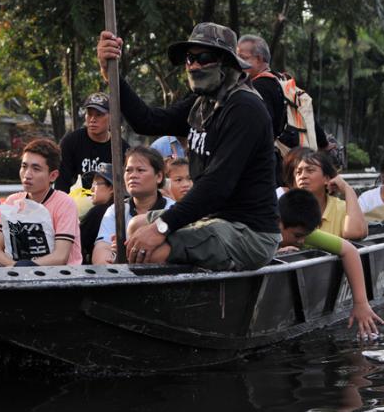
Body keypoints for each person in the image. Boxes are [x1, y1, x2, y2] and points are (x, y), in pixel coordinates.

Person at [97, 22, 280, 270]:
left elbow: (216, 187)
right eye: (189, 58)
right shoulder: (202, 104)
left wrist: (161, 228)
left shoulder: (245, 109)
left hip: (249, 231)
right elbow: (147, 121)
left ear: (227, 64)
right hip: (210, 219)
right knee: (136, 226)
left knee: (152, 249)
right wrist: (111, 74)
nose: (194, 66)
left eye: (203, 58)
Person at [278, 189, 383, 338]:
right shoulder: (262, 231)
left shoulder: (303, 233)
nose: (301, 241)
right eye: (297, 236)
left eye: (304, 236)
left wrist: (361, 303)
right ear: (278, 222)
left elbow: (350, 251)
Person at [0, 138, 82, 267]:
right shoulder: (12, 201)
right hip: (16, 269)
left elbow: (60, 257)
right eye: (24, 166)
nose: (27, 174)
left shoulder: (65, 203)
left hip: (55, 275)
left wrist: (21, 269)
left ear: (53, 176)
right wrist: (14, 268)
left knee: (25, 266)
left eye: (36, 169)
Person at [236, 34, 329, 186]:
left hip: (273, 168)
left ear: (258, 59)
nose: (237, 62)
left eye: (242, 57)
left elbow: (264, 128)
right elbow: (307, 116)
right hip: (293, 162)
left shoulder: (259, 86)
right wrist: (323, 144)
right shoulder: (282, 80)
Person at [92, 146, 175, 265]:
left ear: (159, 176)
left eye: (140, 170)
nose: (132, 175)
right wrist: (113, 261)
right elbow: (101, 251)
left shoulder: (173, 209)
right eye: (128, 170)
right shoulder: (115, 211)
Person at [54, 92, 129, 192]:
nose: (93, 119)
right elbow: (61, 182)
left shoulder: (121, 148)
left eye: (99, 115)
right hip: (74, 201)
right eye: (89, 114)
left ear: (112, 117)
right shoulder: (71, 141)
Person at [293, 150, 368, 240]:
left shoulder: (342, 208)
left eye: (310, 170)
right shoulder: (289, 208)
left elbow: (355, 233)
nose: (302, 176)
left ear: (326, 178)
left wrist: (348, 189)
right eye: (298, 172)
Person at [79, 163, 114, 263]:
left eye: (95, 184)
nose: (91, 189)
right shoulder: (126, 208)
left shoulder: (98, 211)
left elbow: (78, 242)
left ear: (111, 188)